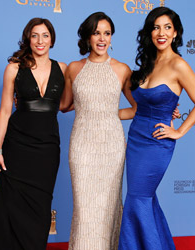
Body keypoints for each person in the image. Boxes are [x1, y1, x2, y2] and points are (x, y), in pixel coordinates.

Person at [118, 7, 195, 250]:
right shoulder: (147, 64)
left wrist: (180, 131)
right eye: (155, 27)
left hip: (157, 143)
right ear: (150, 32)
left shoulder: (179, 65)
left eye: (167, 27)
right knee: (144, 200)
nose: (161, 33)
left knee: (137, 199)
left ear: (175, 33)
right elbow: (139, 107)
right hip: (136, 139)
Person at [60, 12, 136, 250]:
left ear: (111, 37)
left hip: (112, 147)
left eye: (107, 33)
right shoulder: (73, 68)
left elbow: (138, 107)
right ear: (88, 37)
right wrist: (29, 101)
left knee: (108, 208)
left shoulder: (122, 69)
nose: (102, 39)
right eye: (96, 33)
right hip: (82, 145)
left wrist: (109, 113)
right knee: (84, 211)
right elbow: (64, 105)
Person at [0, 18, 66, 250]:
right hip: (17, 146)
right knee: (9, 205)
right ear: (28, 38)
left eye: (45, 35)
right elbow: (5, 110)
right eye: (35, 35)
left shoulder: (63, 69)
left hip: (47, 149)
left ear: (52, 39)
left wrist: (164, 108)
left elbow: (69, 104)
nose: (40, 40)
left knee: (40, 208)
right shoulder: (14, 68)